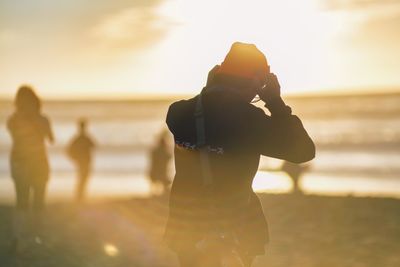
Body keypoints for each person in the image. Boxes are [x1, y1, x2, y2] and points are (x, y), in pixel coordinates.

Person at [164, 42, 315, 267]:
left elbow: (207, 110)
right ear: (255, 80)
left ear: (218, 73)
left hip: (186, 225)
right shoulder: (250, 120)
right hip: (234, 227)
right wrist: (275, 102)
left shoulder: (178, 113)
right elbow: (303, 150)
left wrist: (210, 88)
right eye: (261, 82)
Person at [7, 85, 54, 250]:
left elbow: (17, 138)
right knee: (36, 202)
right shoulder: (42, 119)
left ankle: (20, 237)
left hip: (20, 162)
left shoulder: (13, 119)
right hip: (36, 162)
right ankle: (34, 237)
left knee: (23, 201)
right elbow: (51, 139)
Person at [67, 119, 96, 202]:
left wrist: (74, 158)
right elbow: (94, 146)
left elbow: (68, 150)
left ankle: (80, 195)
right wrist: (75, 158)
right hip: (84, 160)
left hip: (82, 160)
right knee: (83, 178)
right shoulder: (83, 138)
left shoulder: (78, 138)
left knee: (82, 178)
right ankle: (80, 196)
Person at [148, 130, 172, 195]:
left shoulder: (155, 151)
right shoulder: (162, 151)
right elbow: (169, 157)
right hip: (160, 174)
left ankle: (161, 192)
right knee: (166, 180)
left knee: (165, 179)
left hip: (154, 173)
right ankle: (164, 192)